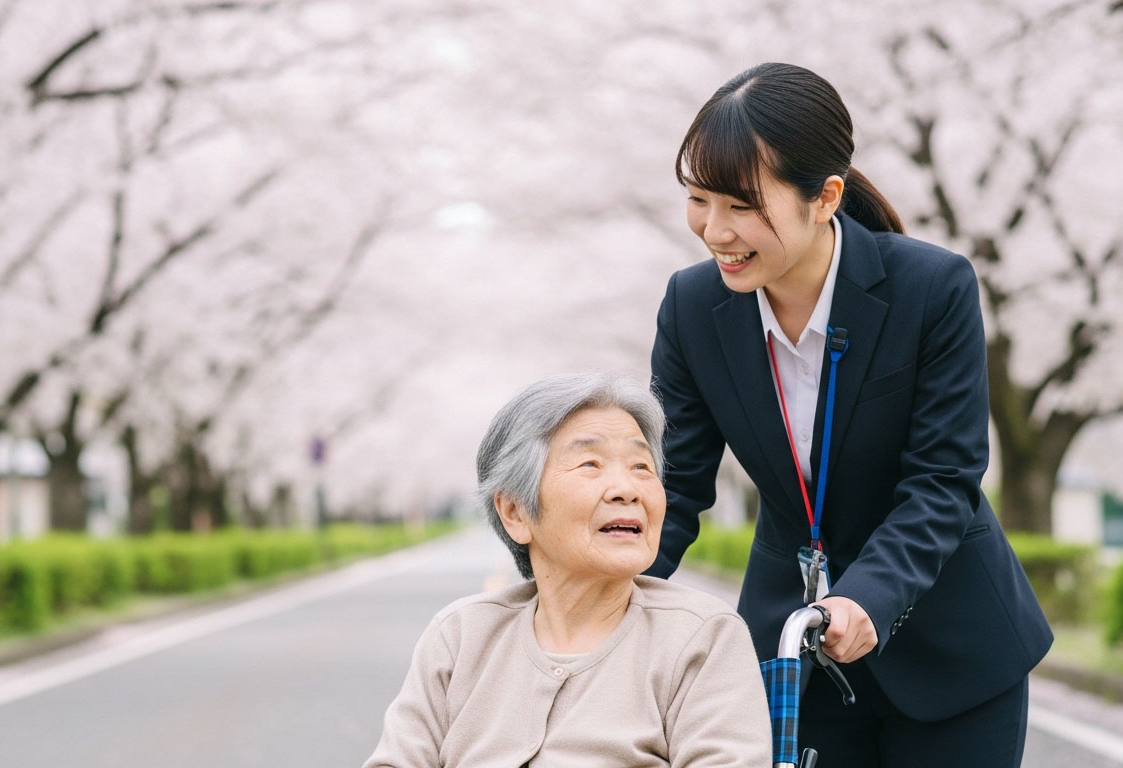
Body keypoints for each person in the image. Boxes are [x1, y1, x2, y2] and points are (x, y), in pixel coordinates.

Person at [644, 62, 1052, 767]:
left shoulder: (933, 286)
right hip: (790, 657)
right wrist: (584, 585)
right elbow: (674, 486)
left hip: (952, 647)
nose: (714, 231)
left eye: (742, 205)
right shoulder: (690, 307)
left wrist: (868, 596)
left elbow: (943, 480)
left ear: (825, 196)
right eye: (699, 199)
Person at [363, 372, 772, 767]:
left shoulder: (703, 637)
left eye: (641, 467)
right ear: (515, 512)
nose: (627, 489)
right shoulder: (459, 637)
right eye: (590, 464)